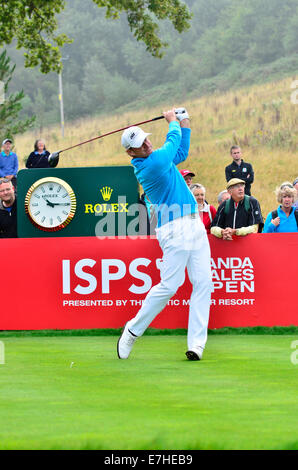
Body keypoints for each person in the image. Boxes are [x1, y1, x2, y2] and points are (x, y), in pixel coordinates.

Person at [118, 107, 213, 361]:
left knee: (204, 282)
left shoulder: (158, 157)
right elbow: (172, 144)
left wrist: (185, 121)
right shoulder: (149, 166)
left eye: (146, 139)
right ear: (130, 152)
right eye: (140, 144)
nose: (147, 144)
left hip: (194, 223)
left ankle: (196, 345)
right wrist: (172, 121)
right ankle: (133, 329)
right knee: (171, 285)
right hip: (174, 227)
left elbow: (181, 151)